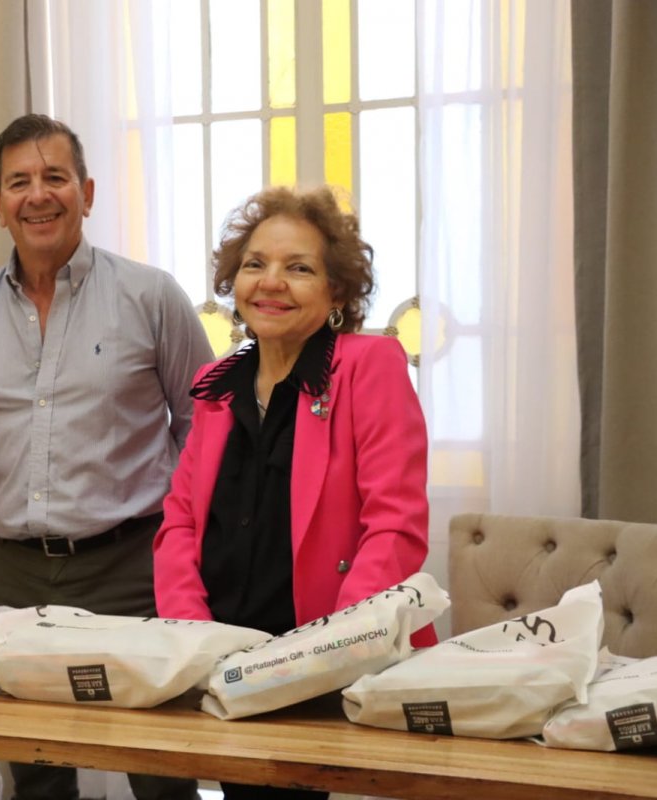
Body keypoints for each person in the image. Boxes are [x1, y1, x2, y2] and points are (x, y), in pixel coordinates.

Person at [0, 114, 213, 800]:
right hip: (14, 574)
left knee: (161, 775)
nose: (38, 195)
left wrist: (179, 538)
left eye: (55, 177)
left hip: (134, 568)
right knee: (36, 777)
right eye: (19, 182)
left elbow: (204, 427)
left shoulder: (151, 296)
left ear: (86, 194)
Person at [152, 186, 435, 800]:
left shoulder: (370, 366)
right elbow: (180, 523)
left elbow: (395, 526)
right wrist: (196, 637)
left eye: (299, 268)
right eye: (255, 264)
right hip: (224, 670)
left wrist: (325, 654)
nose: (271, 282)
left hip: (329, 673)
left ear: (337, 293)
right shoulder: (216, 384)